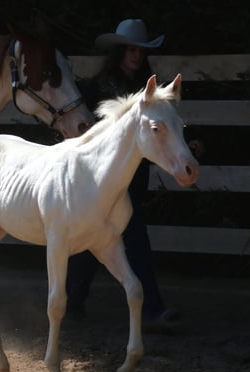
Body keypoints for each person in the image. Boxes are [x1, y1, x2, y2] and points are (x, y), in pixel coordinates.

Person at [65, 18, 195, 333]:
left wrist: (187, 145)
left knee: (104, 240)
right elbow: (82, 127)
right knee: (127, 240)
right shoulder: (97, 89)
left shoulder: (152, 91)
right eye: (131, 50)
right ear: (121, 52)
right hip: (101, 180)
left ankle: (73, 303)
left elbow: (166, 124)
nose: (136, 56)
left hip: (133, 179)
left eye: (140, 50)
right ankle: (151, 309)